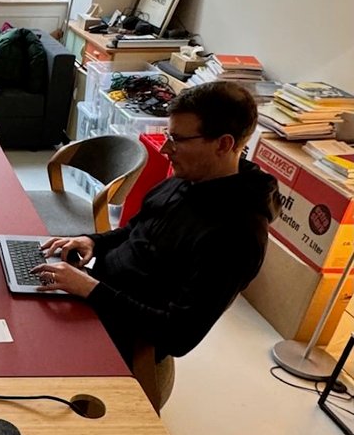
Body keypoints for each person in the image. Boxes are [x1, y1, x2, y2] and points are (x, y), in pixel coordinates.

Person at [35, 81, 278, 383]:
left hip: (128, 335)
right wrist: (92, 241)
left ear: (224, 144)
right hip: (99, 294)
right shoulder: (189, 178)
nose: (165, 149)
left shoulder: (236, 235)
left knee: (21, 347)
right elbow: (135, 230)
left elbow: (177, 335)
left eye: (177, 139)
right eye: (168, 135)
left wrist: (90, 289)